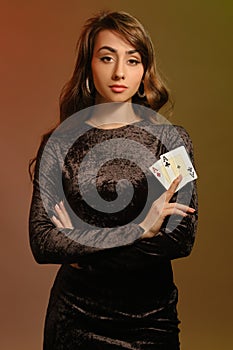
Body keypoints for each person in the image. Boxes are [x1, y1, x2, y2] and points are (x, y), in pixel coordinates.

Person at [29, 10, 198, 350]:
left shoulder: (170, 141)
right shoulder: (60, 144)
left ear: (144, 72)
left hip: (151, 322)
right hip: (74, 319)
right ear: (89, 68)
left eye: (132, 61)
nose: (119, 72)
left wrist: (79, 240)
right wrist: (138, 228)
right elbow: (43, 243)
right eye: (107, 58)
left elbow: (179, 239)